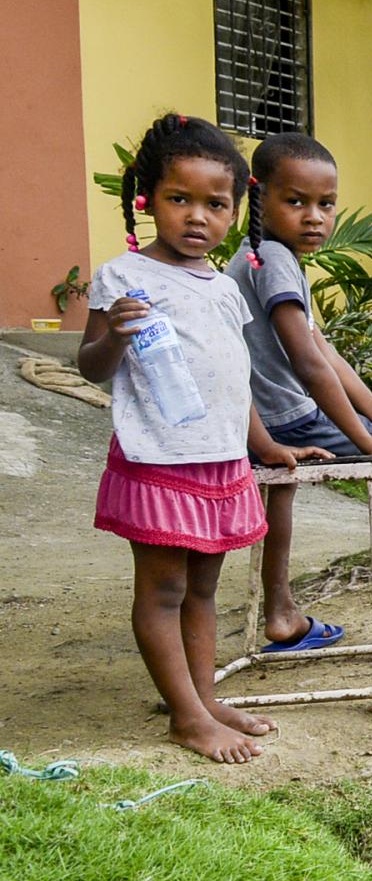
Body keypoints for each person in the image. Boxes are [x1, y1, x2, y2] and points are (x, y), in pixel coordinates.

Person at [76, 113, 330, 764]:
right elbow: (91, 366)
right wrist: (115, 338)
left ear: (235, 208)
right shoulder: (122, 277)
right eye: (178, 198)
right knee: (162, 591)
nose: (197, 216)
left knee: (204, 592)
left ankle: (204, 695)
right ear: (147, 200)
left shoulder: (223, 290)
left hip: (222, 463)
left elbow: (232, 377)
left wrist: (264, 443)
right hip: (159, 458)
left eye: (215, 204)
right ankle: (187, 717)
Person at [227, 132, 372, 649]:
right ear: (259, 195)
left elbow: (329, 356)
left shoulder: (259, 256)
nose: (315, 217)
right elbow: (310, 365)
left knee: (282, 491)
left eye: (326, 204)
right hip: (286, 416)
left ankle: (282, 612)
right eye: (296, 201)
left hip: (261, 424)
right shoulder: (272, 261)